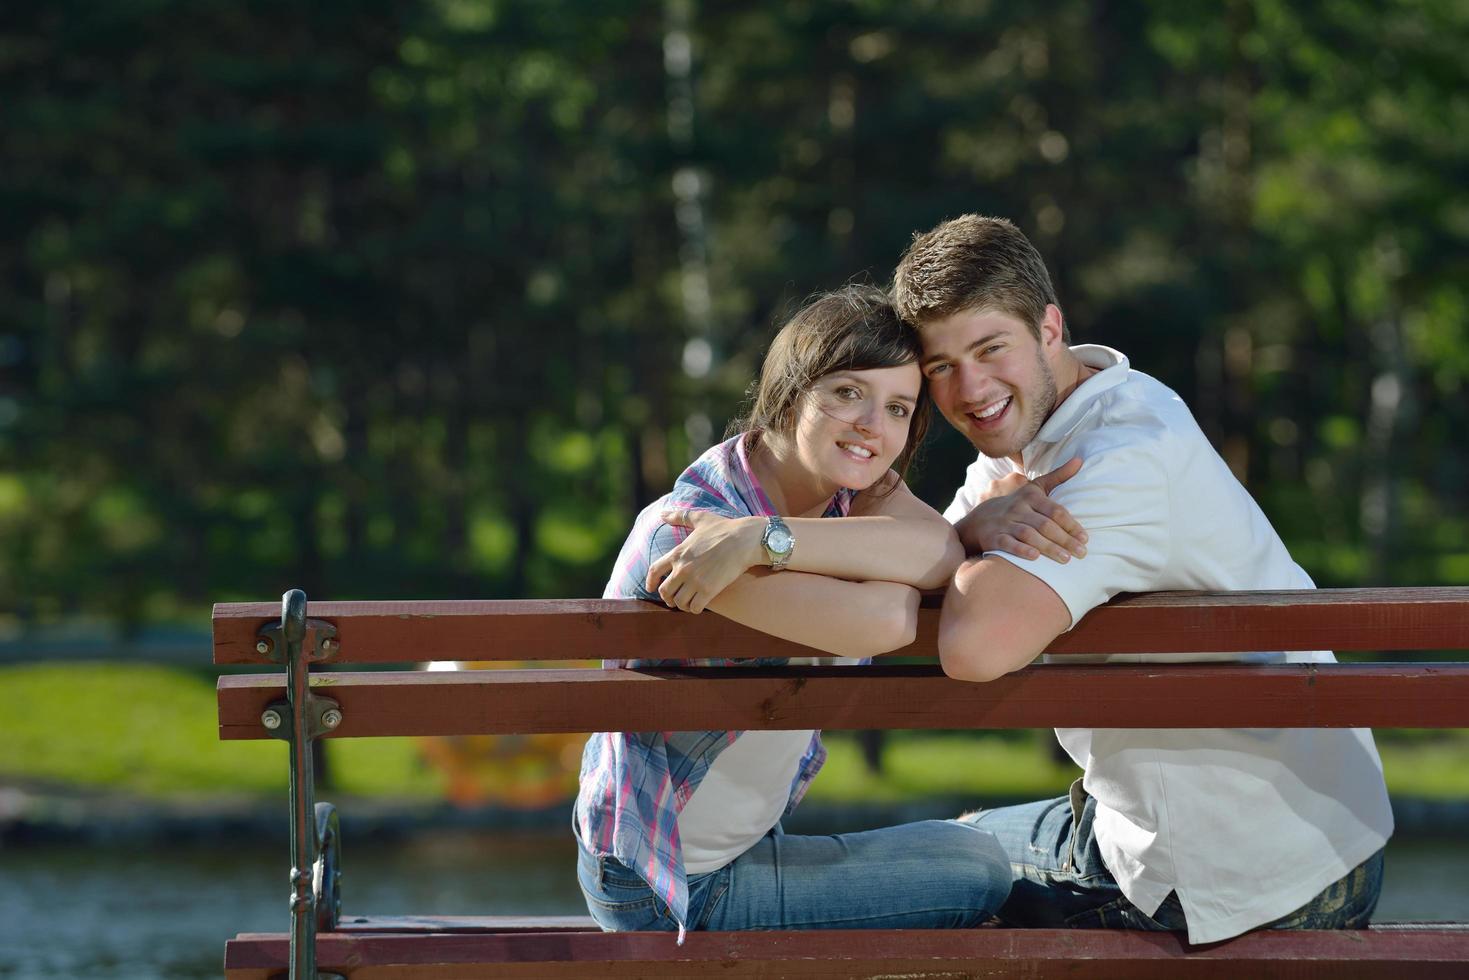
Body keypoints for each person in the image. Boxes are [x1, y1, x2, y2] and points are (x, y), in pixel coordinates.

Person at [890, 214, 1394, 944]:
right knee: (948, 839)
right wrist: (964, 534)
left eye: (989, 347)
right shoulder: (1049, 430)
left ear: (1049, 327)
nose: (969, 389)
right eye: (940, 366)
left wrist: (947, 543)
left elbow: (973, 648)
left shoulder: (1116, 460)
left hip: (1237, 873)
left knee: (914, 877)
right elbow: (921, 551)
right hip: (1301, 831)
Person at [573, 285, 1088, 940]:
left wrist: (763, 540)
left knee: (981, 857)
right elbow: (889, 619)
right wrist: (753, 541)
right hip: (669, 888)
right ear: (792, 393)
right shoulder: (690, 539)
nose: (873, 425)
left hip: (734, 853)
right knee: (978, 868)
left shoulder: (845, 495)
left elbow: (933, 552)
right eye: (847, 393)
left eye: (897, 408)